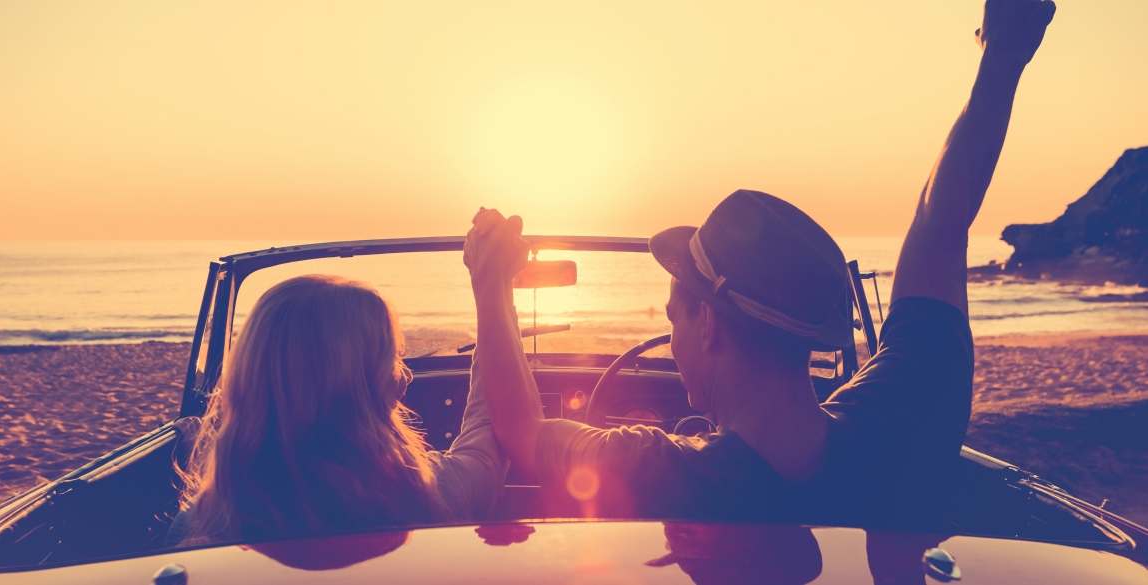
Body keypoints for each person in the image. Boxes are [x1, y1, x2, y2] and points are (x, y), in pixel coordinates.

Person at [463, 0, 1055, 528]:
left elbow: (523, 433)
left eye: (673, 317)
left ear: (708, 323)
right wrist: (1002, 61)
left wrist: (492, 287)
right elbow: (940, 228)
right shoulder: (899, 421)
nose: (670, 342)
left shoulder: (654, 472)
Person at [168, 274, 512, 545]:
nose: (404, 377)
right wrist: (491, 285)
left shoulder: (198, 525)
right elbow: (490, 437)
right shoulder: (429, 492)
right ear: (367, 391)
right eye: (390, 360)